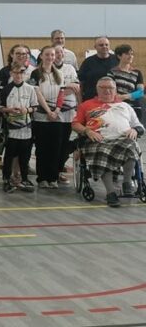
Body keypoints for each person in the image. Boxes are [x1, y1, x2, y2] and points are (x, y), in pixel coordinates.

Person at [72, 77, 144, 207]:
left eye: (110, 88)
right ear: (97, 89)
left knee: (132, 146)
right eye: (103, 88)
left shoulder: (125, 106)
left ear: (115, 90)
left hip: (122, 139)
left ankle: (127, 182)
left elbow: (139, 125)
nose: (107, 90)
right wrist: (87, 131)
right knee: (102, 152)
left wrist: (135, 130)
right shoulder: (86, 105)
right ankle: (111, 193)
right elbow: (75, 124)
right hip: (98, 140)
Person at [0, 62, 38, 193]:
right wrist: (9, 110)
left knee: (25, 156)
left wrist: (27, 110)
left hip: (26, 129)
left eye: (21, 72)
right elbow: (0, 108)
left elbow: (35, 107)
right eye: (16, 72)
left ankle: (24, 178)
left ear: (25, 74)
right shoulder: (6, 89)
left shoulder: (30, 89)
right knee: (9, 156)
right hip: (11, 129)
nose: (18, 75)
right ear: (11, 73)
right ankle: (6, 179)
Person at [29, 46, 65, 189]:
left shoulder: (59, 74)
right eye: (47, 54)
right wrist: (48, 111)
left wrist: (57, 110)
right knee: (42, 148)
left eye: (52, 55)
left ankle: (53, 177)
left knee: (55, 148)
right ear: (41, 56)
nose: (50, 57)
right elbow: (37, 93)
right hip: (41, 116)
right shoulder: (35, 73)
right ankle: (42, 178)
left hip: (57, 116)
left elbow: (62, 93)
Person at [53, 44, 81, 183]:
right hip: (53, 112)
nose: (59, 55)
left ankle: (59, 171)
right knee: (54, 143)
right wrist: (65, 88)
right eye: (56, 52)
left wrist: (61, 90)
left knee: (65, 143)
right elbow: (50, 91)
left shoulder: (70, 68)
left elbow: (76, 88)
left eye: (61, 52)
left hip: (69, 112)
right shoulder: (47, 69)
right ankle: (51, 172)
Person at [108, 44, 144, 121]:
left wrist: (124, 96)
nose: (130, 56)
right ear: (119, 56)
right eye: (127, 54)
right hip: (118, 107)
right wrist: (131, 95)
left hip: (134, 108)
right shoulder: (111, 72)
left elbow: (140, 92)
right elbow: (111, 92)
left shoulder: (137, 72)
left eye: (132, 54)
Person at [78, 36, 117, 101]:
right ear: (95, 47)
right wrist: (80, 100)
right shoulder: (88, 62)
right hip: (91, 99)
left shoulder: (116, 60)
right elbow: (81, 82)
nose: (104, 47)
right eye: (101, 45)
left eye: (106, 45)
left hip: (112, 100)